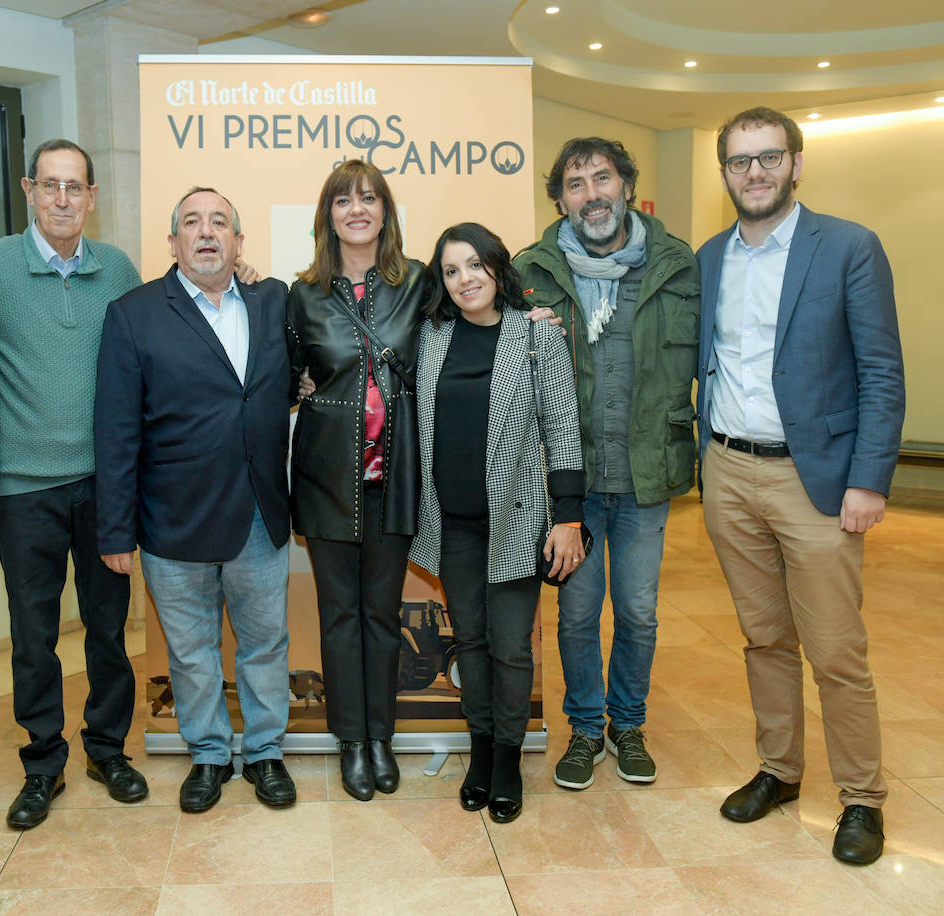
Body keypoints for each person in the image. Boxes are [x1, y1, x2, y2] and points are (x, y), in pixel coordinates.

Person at [698, 107, 904, 866]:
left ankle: (861, 798)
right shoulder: (710, 257)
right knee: (764, 640)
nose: (755, 173)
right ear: (724, 173)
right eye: (740, 161)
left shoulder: (848, 247)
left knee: (836, 650)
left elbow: (882, 370)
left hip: (816, 482)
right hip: (727, 473)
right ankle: (780, 771)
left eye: (769, 157)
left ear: (797, 163)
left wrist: (869, 479)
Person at [0, 139, 146, 829]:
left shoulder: (119, 269)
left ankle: (107, 750)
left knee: (107, 629)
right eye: (50, 186)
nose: (63, 199)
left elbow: (153, 352)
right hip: (21, 490)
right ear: (29, 190)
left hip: (104, 486)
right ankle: (43, 763)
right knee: (33, 635)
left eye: (76, 187)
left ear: (92, 197)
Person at [95, 187, 297, 814]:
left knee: (265, 643)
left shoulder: (273, 301)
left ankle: (265, 753)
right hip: (171, 520)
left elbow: (295, 379)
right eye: (191, 222)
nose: (206, 232)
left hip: (260, 514)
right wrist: (113, 531)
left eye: (219, 223)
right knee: (191, 650)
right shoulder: (132, 313)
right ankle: (208, 754)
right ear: (173, 242)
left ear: (238, 242)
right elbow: (117, 428)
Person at [513, 137, 701, 790]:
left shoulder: (679, 266)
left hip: (647, 477)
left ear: (626, 184)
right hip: (572, 487)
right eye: (575, 183)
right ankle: (586, 729)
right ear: (560, 199)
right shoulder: (529, 271)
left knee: (640, 612)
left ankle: (629, 724)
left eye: (602, 177)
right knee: (576, 614)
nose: (591, 193)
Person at [409, 222, 584, 823]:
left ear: (496, 267)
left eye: (475, 265)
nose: (465, 279)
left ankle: (508, 757)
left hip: (516, 522)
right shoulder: (431, 338)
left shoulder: (535, 335)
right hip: (451, 524)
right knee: (474, 644)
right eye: (452, 271)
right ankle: (480, 749)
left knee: (511, 650)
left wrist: (567, 517)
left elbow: (563, 430)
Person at [285, 159, 424, 801]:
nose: (357, 210)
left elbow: (473, 321)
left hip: (393, 480)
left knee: (382, 615)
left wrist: (528, 314)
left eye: (369, 198)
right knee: (339, 617)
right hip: (326, 482)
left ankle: (381, 738)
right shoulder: (303, 293)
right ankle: (351, 742)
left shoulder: (419, 283)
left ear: (386, 211)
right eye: (344, 201)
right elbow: (281, 377)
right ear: (328, 216)